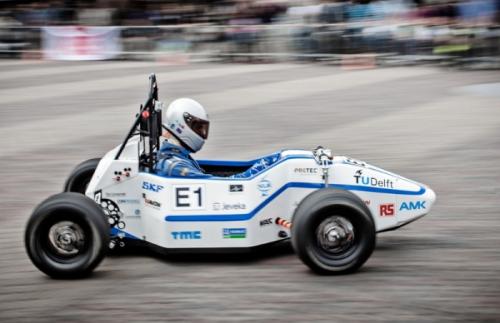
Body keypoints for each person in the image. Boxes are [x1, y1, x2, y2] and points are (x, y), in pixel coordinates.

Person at [154, 98, 279, 178]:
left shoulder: (179, 157)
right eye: (198, 127)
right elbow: (217, 187)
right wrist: (259, 170)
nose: (202, 132)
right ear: (182, 125)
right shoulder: (175, 166)